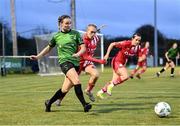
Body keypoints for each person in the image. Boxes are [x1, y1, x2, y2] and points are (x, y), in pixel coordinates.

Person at [30, 15, 92, 112]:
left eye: (70, 23)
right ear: (60, 24)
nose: (69, 25)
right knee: (77, 81)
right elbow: (48, 48)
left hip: (75, 63)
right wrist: (38, 56)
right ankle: (85, 105)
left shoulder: (75, 34)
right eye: (66, 23)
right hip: (65, 62)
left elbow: (83, 48)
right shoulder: (56, 36)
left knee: (64, 89)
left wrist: (78, 54)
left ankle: (49, 102)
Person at [55, 24, 106, 105]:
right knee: (70, 85)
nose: (93, 34)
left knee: (95, 74)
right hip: (77, 62)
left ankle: (88, 91)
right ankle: (59, 99)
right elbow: (85, 56)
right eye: (91, 32)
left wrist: (97, 31)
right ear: (87, 31)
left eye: (94, 32)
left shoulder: (96, 38)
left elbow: (92, 34)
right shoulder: (82, 40)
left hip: (87, 63)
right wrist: (99, 61)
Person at [97, 33, 141, 99]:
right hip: (116, 61)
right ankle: (110, 86)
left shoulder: (137, 48)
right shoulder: (126, 43)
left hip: (121, 64)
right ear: (132, 39)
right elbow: (112, 44)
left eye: (139, 40)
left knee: (114, 81)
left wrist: (135, 69)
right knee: (125, 76)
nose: (137, 42)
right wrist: (107, 55)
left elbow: (139, 58)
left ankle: (100, 92)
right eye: (136, 40)